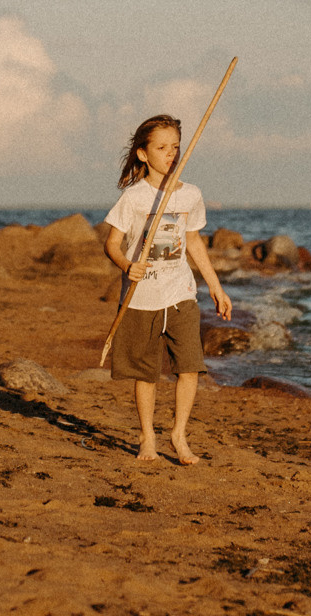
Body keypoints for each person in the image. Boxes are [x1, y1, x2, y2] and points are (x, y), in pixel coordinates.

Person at [99, 114, 232, 464]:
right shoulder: (134, 198)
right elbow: (112, 243)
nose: (170, 154)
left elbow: (193, 242)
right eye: (161, 148)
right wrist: (127, 265)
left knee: (189, 366)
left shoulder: (190, 194)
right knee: (145, 372)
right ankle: (147, 438)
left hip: (180, 293)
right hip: (140, 297)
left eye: (175, 147)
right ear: (143, 154)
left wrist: (216, 288)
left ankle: (178, 435)